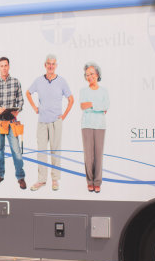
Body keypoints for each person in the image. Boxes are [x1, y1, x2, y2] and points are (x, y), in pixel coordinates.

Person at [25, 54, 74, 191]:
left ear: (56, 66)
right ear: (45, 65)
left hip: (55, 122)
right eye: (48, 63)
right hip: (42, 122)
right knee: (41, 151)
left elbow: (71, 99)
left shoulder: (62, 81)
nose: (51, 66)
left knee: (55, 151)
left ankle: (55, 180)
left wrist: (63, 116)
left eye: (53, 64)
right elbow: (28, 93)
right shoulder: (39, 81)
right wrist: (35, 107)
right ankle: (41, 180)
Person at [0, 57, 26, 189]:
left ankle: (20, 177)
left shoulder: (16, 82)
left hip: (11, 123)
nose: (4, 68)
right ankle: (0, 175)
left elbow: (21, 101)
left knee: (16, 151)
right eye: (1, 66)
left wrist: (17, 111)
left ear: (9, 67)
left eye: (6, 65)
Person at [79, 62, 109, 193]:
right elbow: (83, 106)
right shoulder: (83, 91)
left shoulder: (104, 91)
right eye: (87, 75)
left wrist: (91, 104)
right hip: (87, 125)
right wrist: (97, 106)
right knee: (88, 156)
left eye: (91, 74)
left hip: (100, 126)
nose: (89, 77)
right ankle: (89, 181)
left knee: (98, 156)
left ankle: (97, 182)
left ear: (97, 74)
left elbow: (106, 106)